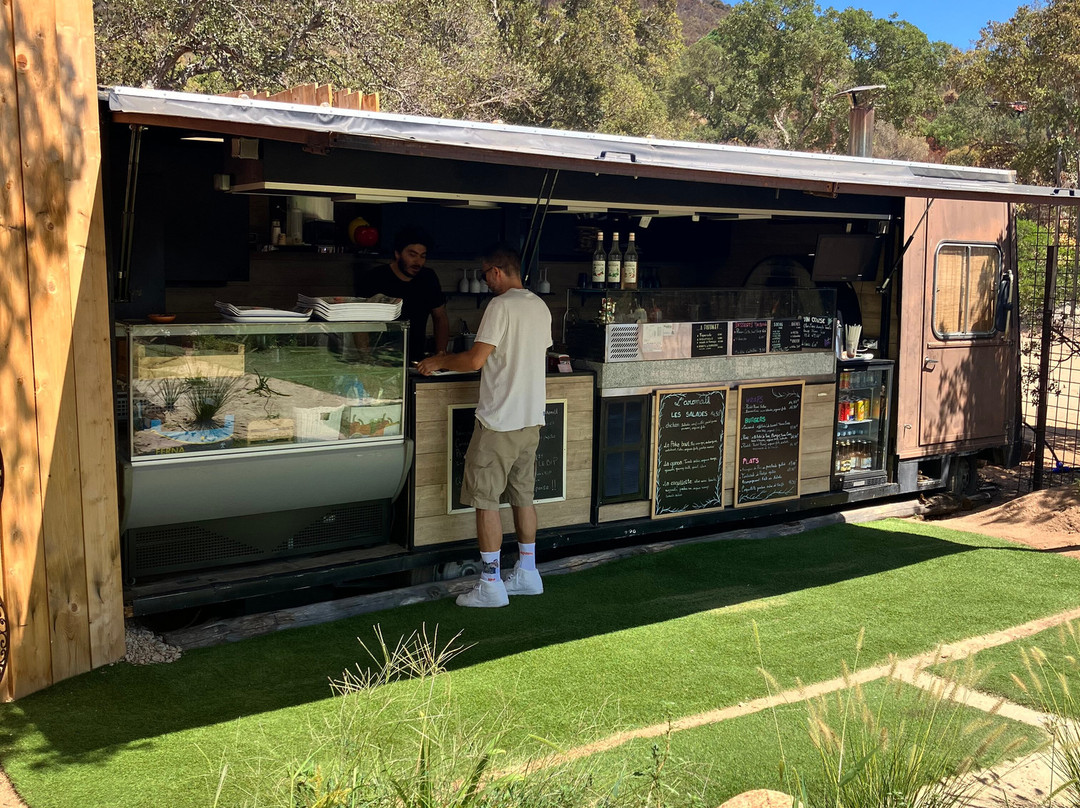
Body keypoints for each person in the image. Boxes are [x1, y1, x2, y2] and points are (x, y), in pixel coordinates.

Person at [416, 244, 552, 607]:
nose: (485, 282)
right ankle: (528, 573)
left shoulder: (500, 305)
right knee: (523, 497)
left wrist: (439, 361)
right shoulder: (539, 305)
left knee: (486, 501)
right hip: (531, 419)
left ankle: (491, 584)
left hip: (499, 420)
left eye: (484, 274)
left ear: (496, 271)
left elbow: (476, 361)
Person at [356, 227, 449, 363]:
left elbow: (440, 317)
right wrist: (365, 357)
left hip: (416, 359)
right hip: (379, 360)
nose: (418, 262)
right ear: (397, 254)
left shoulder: (428, 278)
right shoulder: (375, 278)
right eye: (412, 255)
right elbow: (360, 322)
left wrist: (441, 353)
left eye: (422, 256)